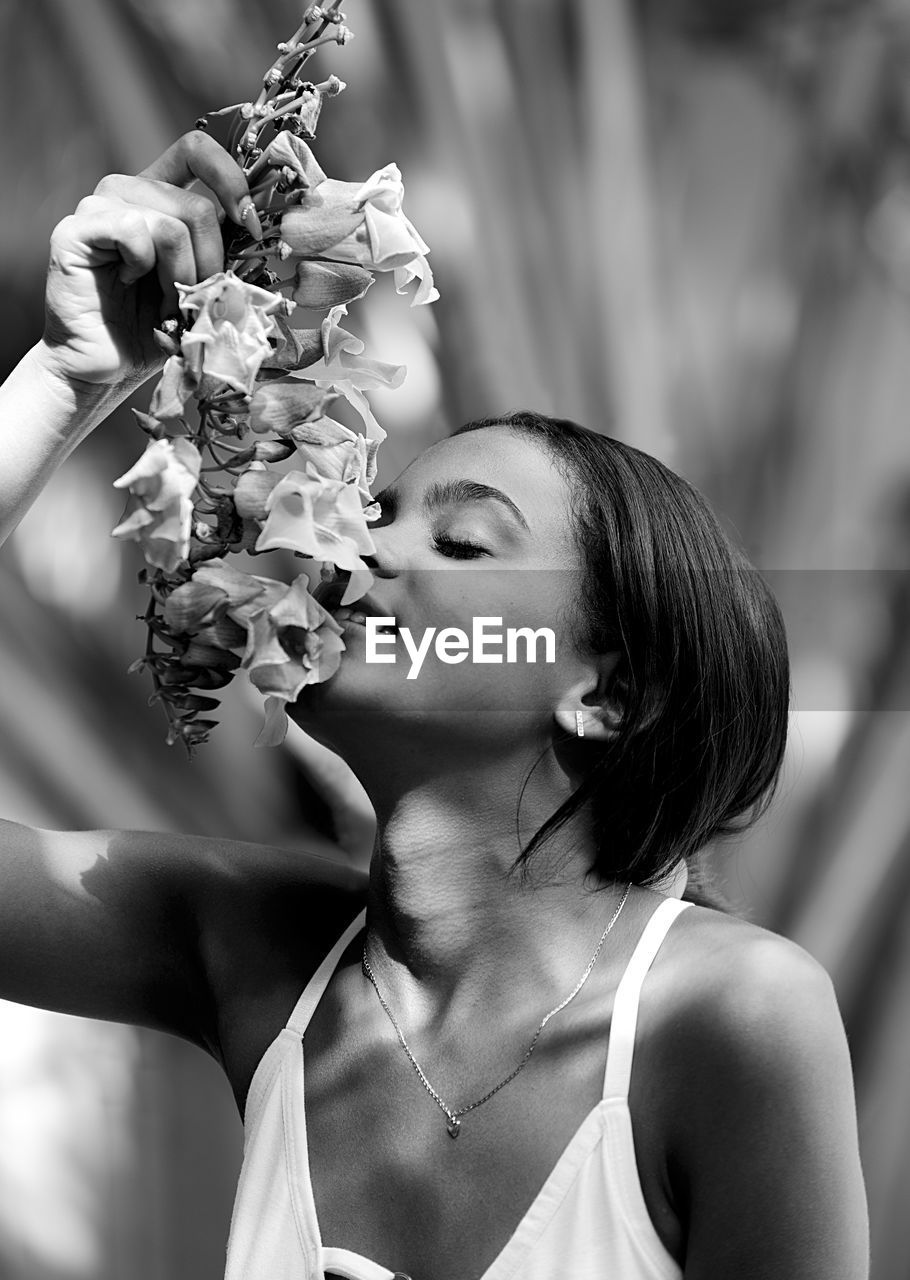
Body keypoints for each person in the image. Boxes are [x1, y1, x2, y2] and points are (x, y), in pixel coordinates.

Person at [0, 132, 869, 1280]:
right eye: (377, 509)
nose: (357, 542)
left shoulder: (729, 1019)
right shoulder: (254, 956)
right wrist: (57, 385)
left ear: (604, 693)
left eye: (458, 540)